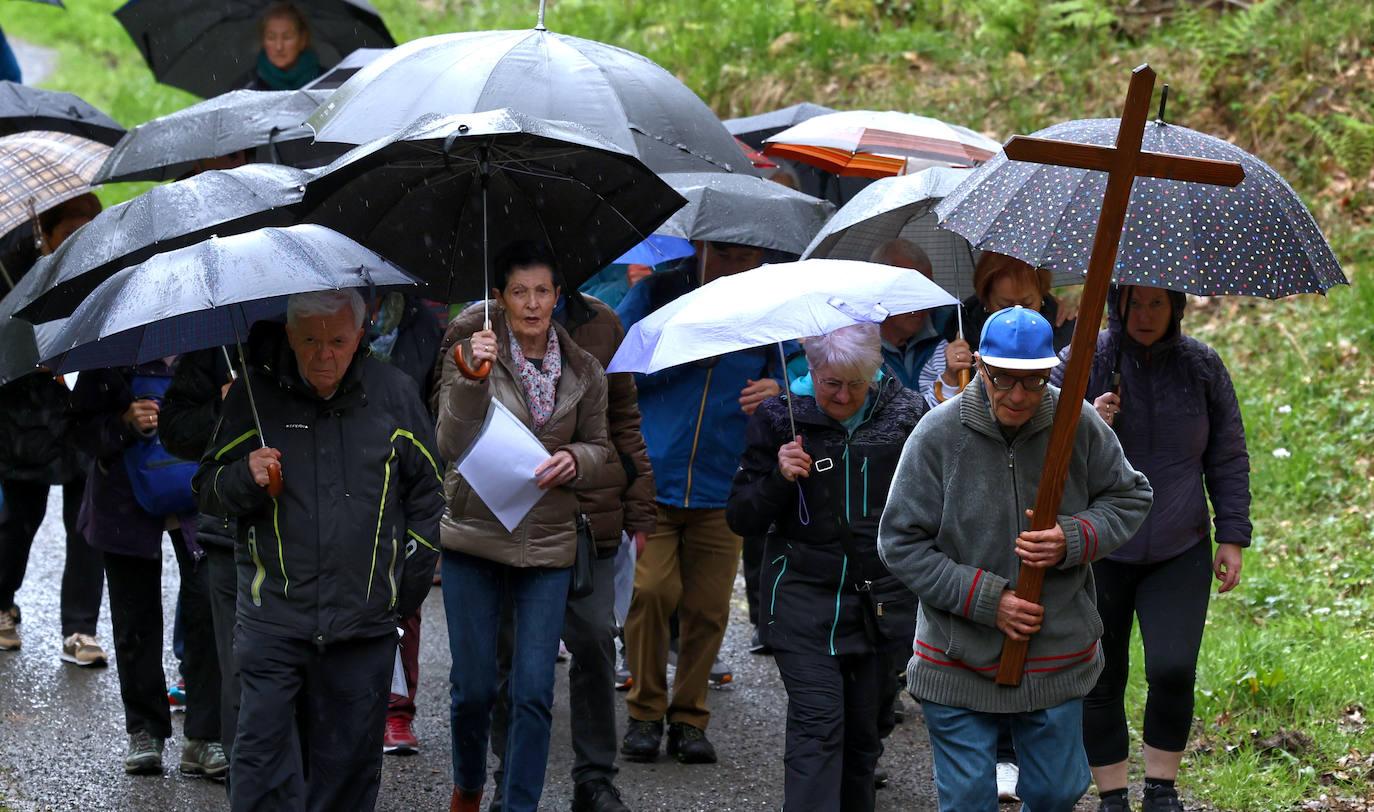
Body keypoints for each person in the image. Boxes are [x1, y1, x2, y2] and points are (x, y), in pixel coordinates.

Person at [877, 306, 1153, 811]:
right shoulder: (938, 434)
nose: (1020, 396)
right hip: (956, 654)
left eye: (1033, 380)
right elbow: (899, 541)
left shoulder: (1079, 424)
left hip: (1056, 652)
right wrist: (986, 598)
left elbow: (1130, 497)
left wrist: (1073, 537)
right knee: (965, 801)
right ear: (980, 366)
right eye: (1005, 380)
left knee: (1055, 792)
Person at [195, 289, 442, 811]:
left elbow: (428, 497)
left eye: (336, 340)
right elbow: (208, 489)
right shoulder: (256, 396)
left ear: (360, 337)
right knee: (261, 772)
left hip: (363, 625)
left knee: (346, 778)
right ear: (290, 336)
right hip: (273, 622)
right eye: (310, 340)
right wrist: (244, 475)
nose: (323, 354)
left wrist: (400, 594)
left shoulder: (393, 394)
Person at [1056, 285, 1251, 812]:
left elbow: (1228, 452)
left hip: (1179, 543)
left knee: (1172, 666)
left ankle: (1161, 789)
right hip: (1101, 547)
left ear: (1177, 309)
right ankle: (1113, 793)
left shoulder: (1201, 366)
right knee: (1102, 672)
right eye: (1134, 304)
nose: (1144, 315)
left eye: (1157, 304)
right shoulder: (1083, 358)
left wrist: (1232, 534)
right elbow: (1040, 438)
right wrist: (1085, 415)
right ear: (1118, 304)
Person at [435, 242, 611, 812]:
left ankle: (519, 806)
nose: (532, 304)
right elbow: (450, 443)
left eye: (542, 292)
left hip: (549, 540)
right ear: (499, 299)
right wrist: (469, 379)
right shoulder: (470, 351)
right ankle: (468, 783)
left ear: (558, 297)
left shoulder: (584, 368)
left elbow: (601, 445)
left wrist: (577, 461)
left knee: (534, 692)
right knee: (475, 690)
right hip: (474, 536)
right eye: (519, 292)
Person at [727, 323, 926, 812]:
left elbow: (933, 502)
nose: (843, 396)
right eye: (831, 383)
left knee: (864, 739)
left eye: (856, 383)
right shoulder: (779, 419)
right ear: (810, 370)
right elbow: (742, 517)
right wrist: (778, 476)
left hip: (880, 603)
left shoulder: (908, 414)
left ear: (875, 372)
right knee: (818, 728)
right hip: (801, 598)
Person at [481, 288, 653, 812]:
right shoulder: (477, 325)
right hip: (509, 516)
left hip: (589, 516)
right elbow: (450, 419)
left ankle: (595, 778)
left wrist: (640, 508)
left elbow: (625, 420)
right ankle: (508, 772)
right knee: (509, 657)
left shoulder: (602, 323)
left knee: (596, 643)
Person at [617, 239, 784, 765]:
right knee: (649, 593)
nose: (738, 263)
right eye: (728, 253)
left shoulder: (769, 304)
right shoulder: (656, 294)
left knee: (708, 610)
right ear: (701, 245)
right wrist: (687, 353)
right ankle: (645, 712)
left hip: (725, 482)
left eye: (748, 256)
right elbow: (619, 366)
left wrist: (780, 386)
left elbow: (802, 368)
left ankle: (689, 718)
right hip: (654, 479)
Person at [69, 357, 225, 780]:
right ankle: (145, 731)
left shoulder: (212, 342)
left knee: (208, 607)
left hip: (198, 494)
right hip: (122, 497)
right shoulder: (111, 351)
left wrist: (217, 409)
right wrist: (123, 421)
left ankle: (206, 736)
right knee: (134, 617)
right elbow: (80, 428)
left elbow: (235, 422)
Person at [0, 195, 107, 665]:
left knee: (87, 526)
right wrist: (31, 361)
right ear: (45, 231)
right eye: (69, 232)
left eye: (88, 230)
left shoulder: (98, 270)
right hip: (23, 421)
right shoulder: (10, 271)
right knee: (17, 524)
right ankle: (1, 603)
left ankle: (80, 629)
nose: (78, 241)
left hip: (80, 415)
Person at [366, 291, 443, 757]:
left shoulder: (421, 322)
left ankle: (396, 711)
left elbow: (434, 405)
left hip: (401, 471)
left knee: (401, 593)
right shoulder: (316, 310)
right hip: (336, 469)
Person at [872, 239, 955, 392]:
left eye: (926, 289)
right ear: (880, 288)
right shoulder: (856, 344)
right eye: (909, 291)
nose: (921, 302)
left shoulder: (952, 327)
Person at [962, 251, 1077, 355]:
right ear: (986, 302)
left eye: (1027, 304)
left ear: (1041, 295)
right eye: (1005, 306)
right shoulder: (965, 330)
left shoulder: (1064, 330)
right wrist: (952, 374)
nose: (1018, 315)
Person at [248, 3, 321, 91]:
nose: (279, 47)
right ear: (263, 41)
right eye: (271, 38)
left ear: (303, 40)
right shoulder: (246, 89)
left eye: (287, 37)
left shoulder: (328, 81)